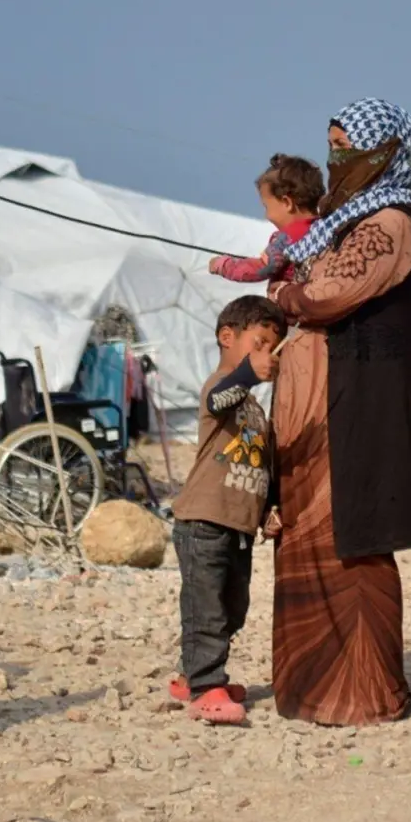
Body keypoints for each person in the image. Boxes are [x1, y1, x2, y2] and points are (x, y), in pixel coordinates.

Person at [267, 97, 411, 726]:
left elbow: (331, 295)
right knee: (307, 538)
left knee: (354, 543)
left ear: (383, 153)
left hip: (356, 405)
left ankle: (365, 692)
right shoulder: (341, 222)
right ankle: (312, 685)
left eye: (348, 148)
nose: (337, 160)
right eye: (330, 146)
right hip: (316, 408)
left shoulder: (390, 224)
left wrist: (283, 293)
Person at [164, 295, 283, 724]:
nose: (268, 354)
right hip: (203, 520)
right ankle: (205, 687)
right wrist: (251, 372)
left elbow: (261, 460)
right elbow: (220, 398)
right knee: (207, 610)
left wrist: (270, 505)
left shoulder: (254, 409)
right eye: (260, 343)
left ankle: (190, 675)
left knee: (233, 608)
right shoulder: (223, 386)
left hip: (238, 526)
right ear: (227, 337)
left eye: (274, 346)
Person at [208, 154, 325, 284]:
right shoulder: (327, 230)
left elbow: (261, 268)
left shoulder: (287, 239)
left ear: (287, 203)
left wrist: (222, 265)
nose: (266, 215)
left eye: (266, 207)